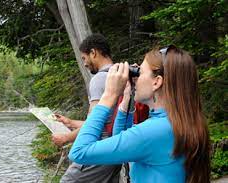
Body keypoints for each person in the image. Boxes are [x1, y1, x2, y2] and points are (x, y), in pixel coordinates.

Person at [69, 45, 211, 183]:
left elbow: (79, 152)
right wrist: (126, 99)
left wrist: (109, 96)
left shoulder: (154, 131)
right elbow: (120, 140)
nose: (135, 77)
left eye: (140, 72)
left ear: (157, 82)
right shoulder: (178, 121)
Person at [53, 33, 122, 183]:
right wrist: (70, 122)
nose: (84, 63)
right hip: (116, 148)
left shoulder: (99, 79)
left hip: (98, 149)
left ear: (93, 52)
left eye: (84, 58)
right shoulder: (120, 75)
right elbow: (106, 119)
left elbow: (94, 124)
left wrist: (66, 138)